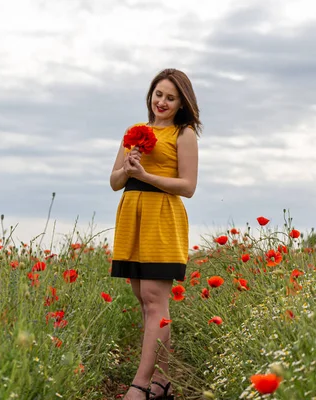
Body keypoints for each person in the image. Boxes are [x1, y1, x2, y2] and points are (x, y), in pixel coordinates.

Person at [109, 68, 201, 400]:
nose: (162, 101)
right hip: (132, 216)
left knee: (153, 299)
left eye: (171, 98)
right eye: (158, 94)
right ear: (151, 95)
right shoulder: (134, 131)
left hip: (162, 216)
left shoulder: (184, 134)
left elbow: (188, 187)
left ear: (181, 103)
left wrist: (147, 176)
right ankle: (162, 383)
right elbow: (114, 182)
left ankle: (140, 384)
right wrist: (128, 167)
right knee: (146, 302)